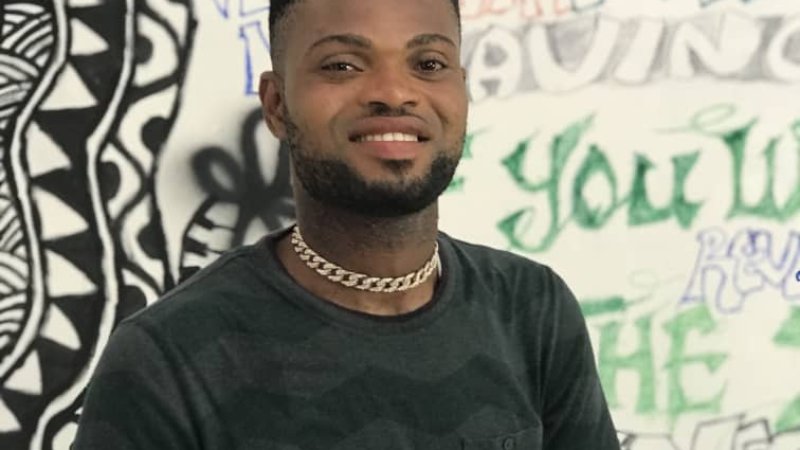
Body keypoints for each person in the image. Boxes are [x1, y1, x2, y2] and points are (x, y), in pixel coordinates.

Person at [72, 0, 620, 448]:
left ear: (462, 88)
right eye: (342, 65)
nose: (395, 92)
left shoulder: (533, 310)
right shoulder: (171, 358)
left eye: (429, 63)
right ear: (277, 105)